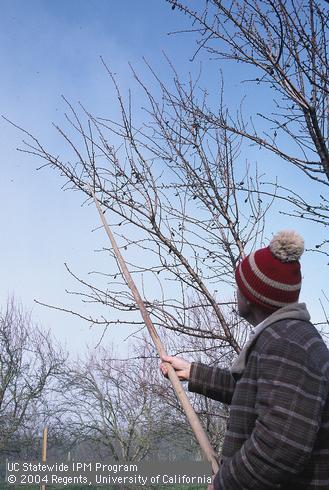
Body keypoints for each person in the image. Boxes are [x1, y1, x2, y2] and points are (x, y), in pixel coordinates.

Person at [161, 230, 329, 489]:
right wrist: (194, 373)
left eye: (240, 285)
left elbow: (281, 446)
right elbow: (258, 394)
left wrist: (226, 483)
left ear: (252, 296)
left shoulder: (286, 343)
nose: (236, 290)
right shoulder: (286, 336)